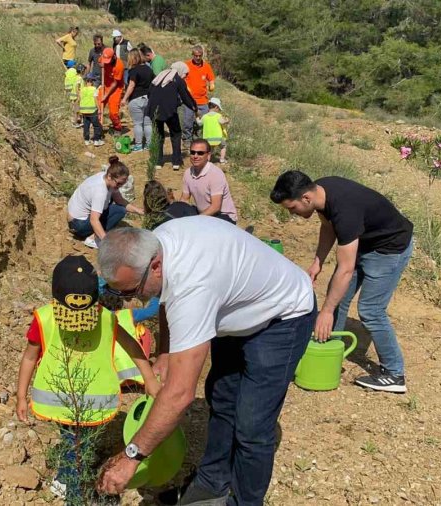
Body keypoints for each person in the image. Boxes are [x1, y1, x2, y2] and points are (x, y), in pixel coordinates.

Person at [94, 220, 317, 504]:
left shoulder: (193, 287)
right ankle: (212, 485)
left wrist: (131, 457)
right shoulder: (156, 242)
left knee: (252, 425)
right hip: (235, 308)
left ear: (156, 266)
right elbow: (165, 296)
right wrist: (165, 351)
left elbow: (180, 395)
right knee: (222, 399)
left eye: (132, 290)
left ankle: (244, 501)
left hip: (282, 316)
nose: (133, 300)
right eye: (120, 293)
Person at [16, 255, 160, 502]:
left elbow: (133, 347)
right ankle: (76, 495)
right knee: (77, 449)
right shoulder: (44, 319)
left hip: (94, 405)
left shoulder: (106, 318)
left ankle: (65, 479)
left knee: (79, 447)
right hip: (58, 401)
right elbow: (29, 357)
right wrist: (20, 396)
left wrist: (150, 379)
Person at [270, 170, 414, 393]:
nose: (292, 214)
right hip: (364, 241)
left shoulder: (345, 209)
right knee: (338, 295)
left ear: (306, 199)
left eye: (292, 208)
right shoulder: (321, 192)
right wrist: (318, 261)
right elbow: (328, 227)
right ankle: (326, 345)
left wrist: (326, 311)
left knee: (371, 310)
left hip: (389, 249)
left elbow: (346, 269)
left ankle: (394, 373)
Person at [66, 156, 144, 249]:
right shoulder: (100, 191)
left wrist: (139, 211)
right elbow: (94, 220)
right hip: (78, 225)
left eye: (122, 184)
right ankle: (93, 239)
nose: (120, 186)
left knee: (119, 208)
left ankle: (97, 235)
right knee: (119, 211)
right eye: (118, 183)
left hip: (78, 219)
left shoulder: (105, 177)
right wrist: (106, 242)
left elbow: (119, 200)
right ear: (110, 176)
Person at [147, 61, 197, 171]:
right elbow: (185, 96)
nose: (185, 76)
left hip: (154, 110)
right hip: (169, 110)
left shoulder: (159, 76)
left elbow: (149, 92)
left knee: (159, 135)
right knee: (176, 134)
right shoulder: (177, 79)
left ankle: (158, 162)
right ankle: (176, 161)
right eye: (185, 74)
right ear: (181, 70)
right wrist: (194, 107)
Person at [181, 139, 238, 224]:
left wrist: (196, 220)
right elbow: (184, 200)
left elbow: (215, 207)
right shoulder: (188, 173)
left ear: (208, 155)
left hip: (223, 216)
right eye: (192, 152)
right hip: (204, 214)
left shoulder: (215, 174)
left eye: (200, 153)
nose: (195, 156)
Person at [121, 49, 154, 152]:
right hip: (148, 98)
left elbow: (131, 85)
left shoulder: (133, 70)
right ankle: (149, 145)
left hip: (136, 99)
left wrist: (124, 98)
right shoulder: (149, 69)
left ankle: (138, 145)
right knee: (148, 123)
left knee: (138, 123)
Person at [182, 45, 216, 144]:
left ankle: (197, 136)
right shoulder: (186, 65)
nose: (197, 58)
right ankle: (186, 139)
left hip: (203, 100)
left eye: (200, 56)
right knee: (187, 121)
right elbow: (181, 78)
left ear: (202, 55)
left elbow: (211, 78)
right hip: (189, 99)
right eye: (196, 55)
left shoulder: (206, 66)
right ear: (192, 55)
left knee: (203, 122)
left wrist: (212, 84)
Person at [99, 47, 126, 134]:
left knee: (113, 113)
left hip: (116, 89)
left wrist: (106, 95)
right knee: (98, 107)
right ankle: (98, 127)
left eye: (108, 60)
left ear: (114, 56)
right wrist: (101, 64)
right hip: (105, 85)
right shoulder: (104, 57)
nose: (107, 62)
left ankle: (117, 128)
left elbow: (115, 83)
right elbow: (99, 61)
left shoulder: (119, 65)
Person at [198, 97, 229, 164]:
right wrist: (226, 120)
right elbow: (222, 122)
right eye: (218, 108)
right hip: (218, 137)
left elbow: (199, 123)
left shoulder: (204, 116)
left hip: (207, 138)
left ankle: (207, 161)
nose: (218, 110)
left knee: (210, 150)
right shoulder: (218, 116)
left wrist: (197, 118)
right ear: (216, 107)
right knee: (223, 146)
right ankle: (222, 159)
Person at [77, 72, 104, 147]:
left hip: (84, 111)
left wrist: (79, 111)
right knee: (96, 125)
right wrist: (99, 109)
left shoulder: (82, 90)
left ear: (86, 81)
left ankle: (86, 140)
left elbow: (79, 99)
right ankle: (96, 140)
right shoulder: (94, 89)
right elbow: (95, 100)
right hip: (92, 111)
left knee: (86, 126)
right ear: (92, 81)